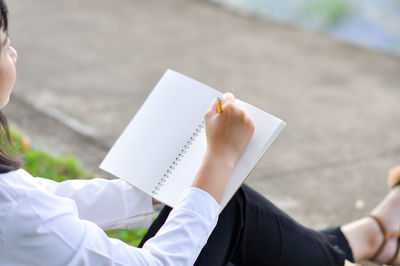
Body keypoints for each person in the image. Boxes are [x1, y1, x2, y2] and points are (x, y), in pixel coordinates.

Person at [0, 1, 399, 265]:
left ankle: (365, 239)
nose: (14, 53)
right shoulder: (15, 211)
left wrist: (156, 191)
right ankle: (363, 244)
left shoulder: (15, 201)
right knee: (224, 206)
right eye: (3, 46)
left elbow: (45, 200)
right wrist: (218, 160)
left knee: (213, 207)